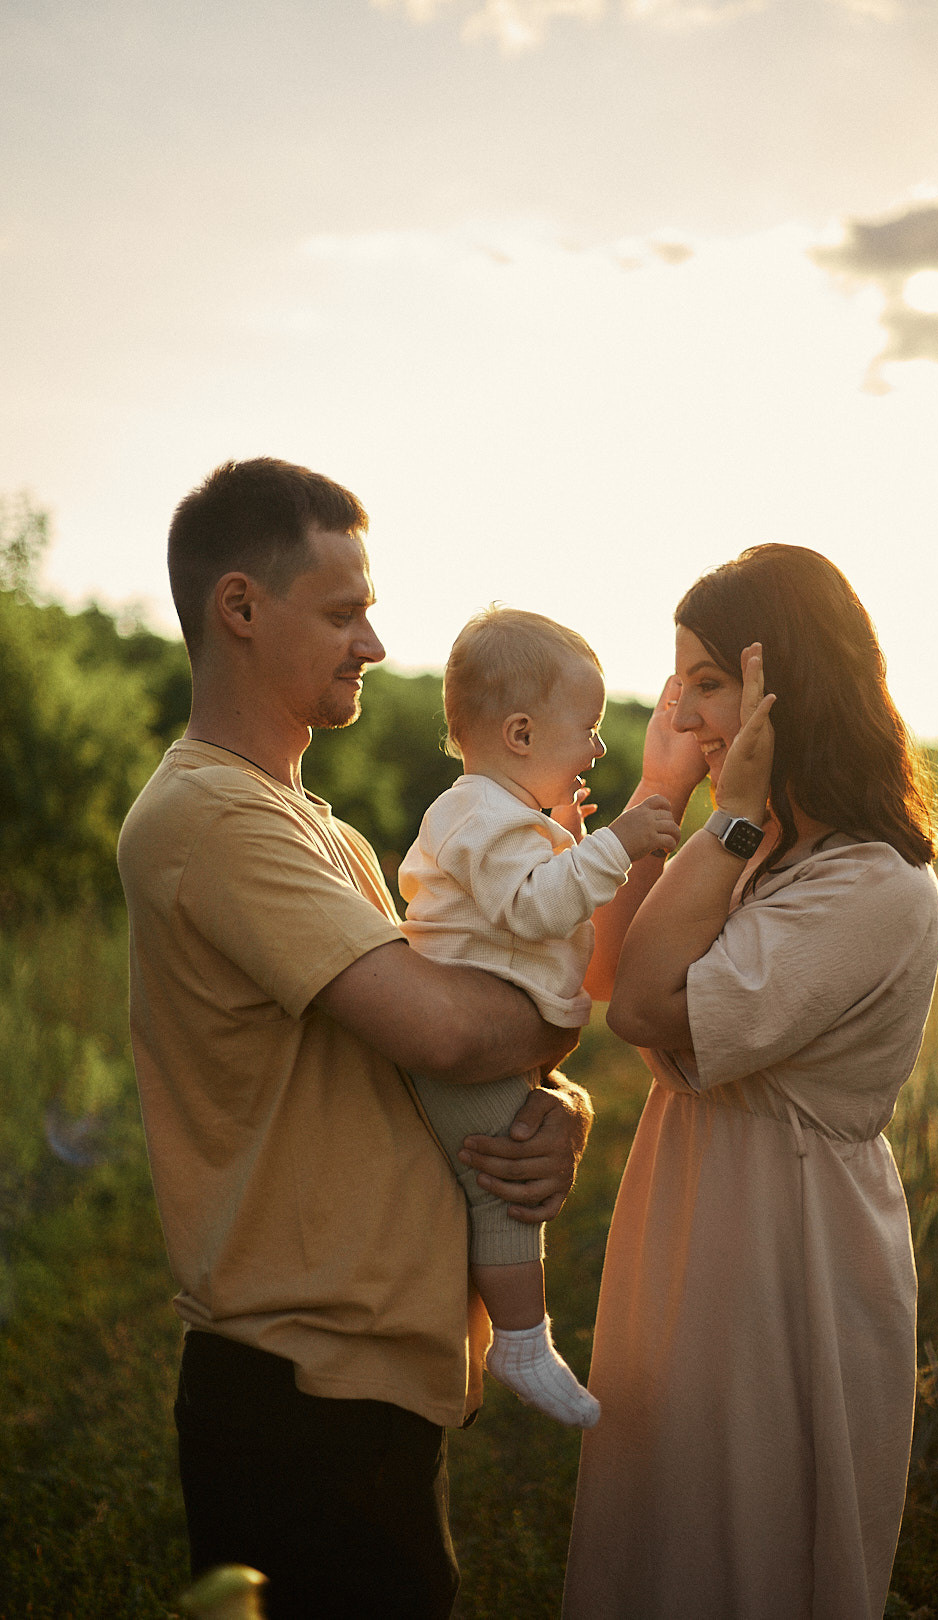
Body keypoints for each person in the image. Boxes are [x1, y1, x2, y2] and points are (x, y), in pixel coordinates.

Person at [117, 457, 593, 1620]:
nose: (374, 644)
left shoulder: (314, 824)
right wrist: (556, 1026)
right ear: (239, 607)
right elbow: (436, 1024)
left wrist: (560, 1105)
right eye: (343, 611)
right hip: (297, 1390)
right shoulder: (210, 816)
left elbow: (425, 1048)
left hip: (363, 1375)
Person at [562, 544, 938, 1620]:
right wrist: (657, 795)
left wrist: (721, 819)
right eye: (678, 683)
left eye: (709, 682)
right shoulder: (759, 849)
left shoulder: (872, 882)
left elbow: (642, 1009)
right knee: (660, 1529)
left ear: (791, 685)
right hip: (690, 1218)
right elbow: (607, 969)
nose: (684, 710)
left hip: (789, 1256)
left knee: (750, 1542)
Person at [398, 607, 680, 1429]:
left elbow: (549, 901)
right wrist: (615, 846)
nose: (597, 746)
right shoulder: (473, 815)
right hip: (461, 1055)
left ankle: (504, 1337)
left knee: (505, 1168)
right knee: (503, 1187)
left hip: (500, 1036)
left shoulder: (505, 817)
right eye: (586, 729)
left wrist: (571, 836)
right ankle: (520, 1342)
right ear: (520, 733)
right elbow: (530, 908)